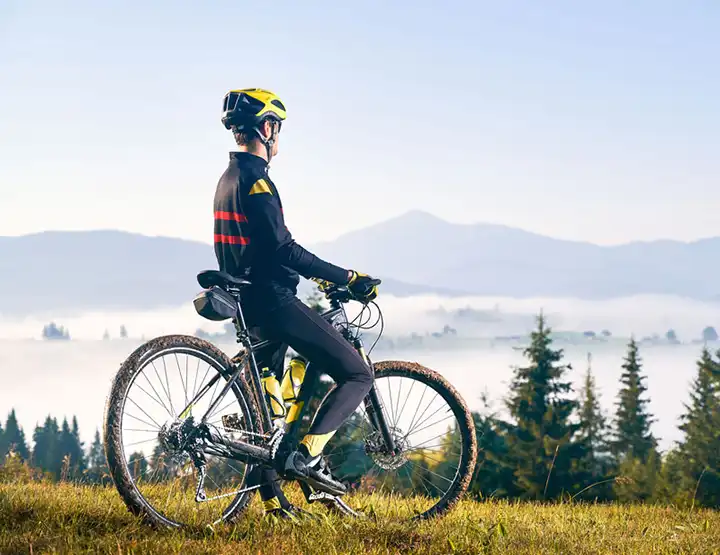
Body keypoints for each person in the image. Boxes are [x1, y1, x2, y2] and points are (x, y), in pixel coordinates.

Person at [213, 88, 379, 518]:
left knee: (266, 420)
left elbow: (249, 248)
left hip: (246, 303)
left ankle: (275, 505)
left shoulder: (227, 180)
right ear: (267, 128)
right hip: (272, 303)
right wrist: (346, 277)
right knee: (358, 372)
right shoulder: (258, 181)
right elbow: (285, 250)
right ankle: (305, 458)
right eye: (278, 128)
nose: (278, 137)